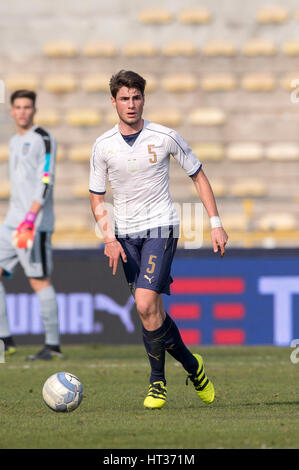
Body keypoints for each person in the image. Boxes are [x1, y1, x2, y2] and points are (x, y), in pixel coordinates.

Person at [89, 70, 228, 409]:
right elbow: (96, 196)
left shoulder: (165, 136)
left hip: (160, 229)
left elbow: (198, 176)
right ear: (113, 102)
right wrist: (109, 237)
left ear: (143, 99)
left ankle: (157, 383)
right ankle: (194, 367)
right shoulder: (103, 146)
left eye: (136, 98)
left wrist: (215, 223)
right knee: (152, 315)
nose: (131, 104)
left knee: (144, 303)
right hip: (124, 235)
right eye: (124, 98)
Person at [0, 89, 62, 360]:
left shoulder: (44, 139)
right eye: (18, 107)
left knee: (39, 281)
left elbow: (45, 180)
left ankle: (53, 346)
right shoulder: (14, 140)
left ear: (34, 110)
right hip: (12, 223)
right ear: (11, 111)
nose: (22, 111)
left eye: (27, 107)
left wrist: (30, 218)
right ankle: (5, 338)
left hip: (32, 224)